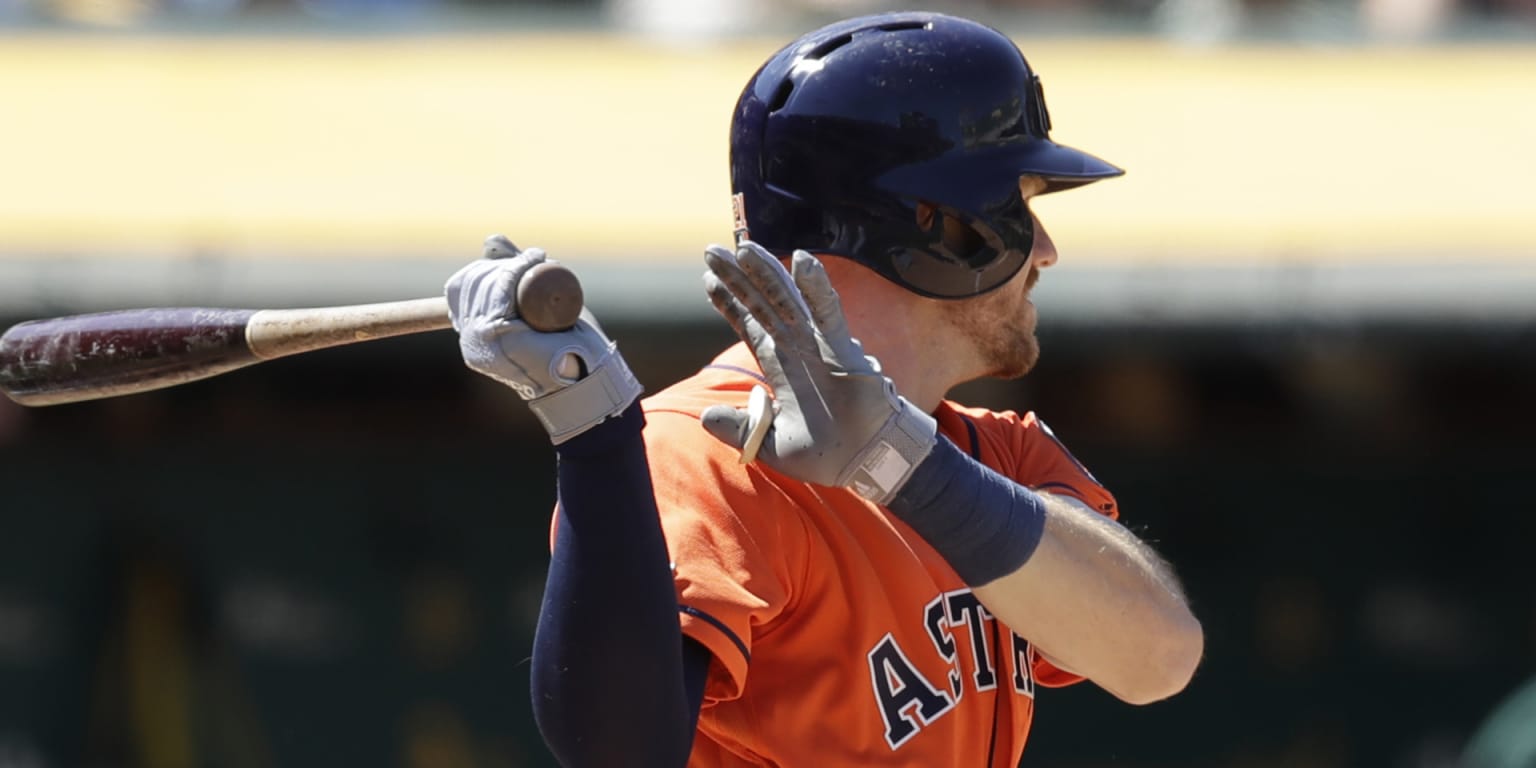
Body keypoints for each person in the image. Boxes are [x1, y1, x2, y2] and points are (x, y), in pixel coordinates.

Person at [445, 11, 1204, 766]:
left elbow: (1159, 659)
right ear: (935, 227)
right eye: (1021, 204)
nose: (1047, 249)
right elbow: (620, 753)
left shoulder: (999, 456)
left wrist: (902, 465)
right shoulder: (698, 453)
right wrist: (595, 436)